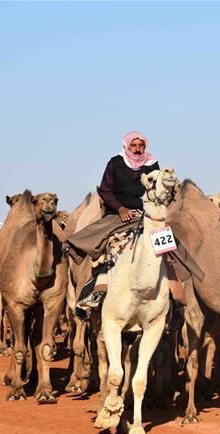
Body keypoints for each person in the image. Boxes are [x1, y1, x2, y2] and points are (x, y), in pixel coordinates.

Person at [67, 131, 160, 318]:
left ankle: (174, 291)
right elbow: (105, 191)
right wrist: (120, 209)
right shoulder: (115, 163)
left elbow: (158, 190)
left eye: (141, 145)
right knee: (110, 246)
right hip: (119, 214)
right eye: (133, 145)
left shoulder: (153, 165)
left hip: (147, 214)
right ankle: (97, 287)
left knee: (168, 247)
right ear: (126, 146)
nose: (137, 149)